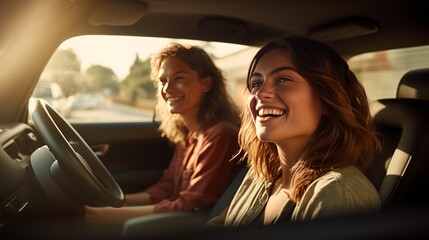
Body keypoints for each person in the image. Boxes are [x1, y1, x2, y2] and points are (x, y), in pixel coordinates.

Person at [207, 36, 381, 227]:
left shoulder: (339, 192)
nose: (260, 93)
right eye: (256, 83)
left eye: (283, 79)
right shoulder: (261, 176)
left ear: (327, 99)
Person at [85, 43, 242, 224]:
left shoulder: (220, 135)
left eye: (179, 78)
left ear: (205, 83)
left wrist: (101, 215)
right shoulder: (189, 135)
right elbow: (167, 187)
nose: (167, 89)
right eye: (163, 81)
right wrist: (112, 202)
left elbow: (192, 205)